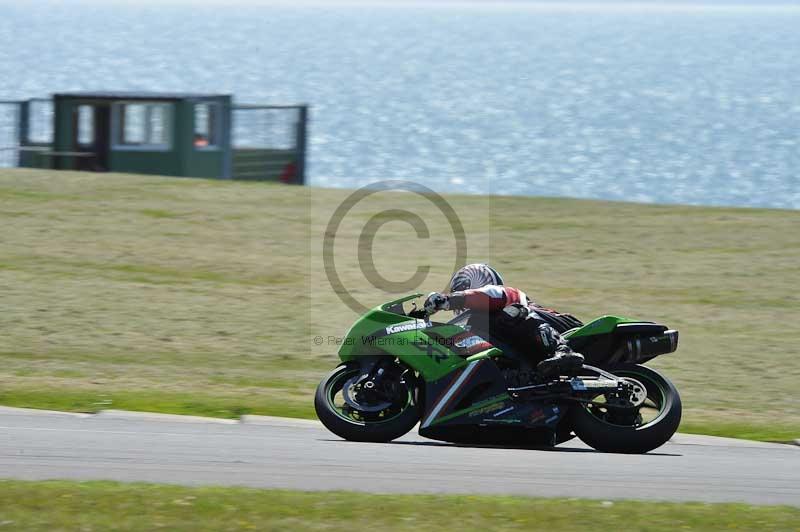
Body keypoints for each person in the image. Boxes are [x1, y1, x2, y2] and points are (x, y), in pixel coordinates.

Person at [423, 263, 585, 379]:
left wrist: (447, 301)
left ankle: (563, 350)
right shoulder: (484, 323)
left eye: (460, 291)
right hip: (535, 349)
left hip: (566, 328)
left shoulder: (501, 294)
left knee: (511, 312)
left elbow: (483, 297)